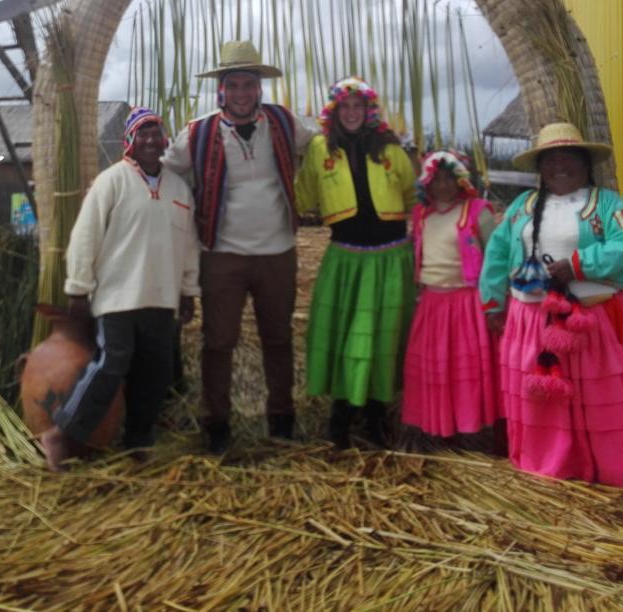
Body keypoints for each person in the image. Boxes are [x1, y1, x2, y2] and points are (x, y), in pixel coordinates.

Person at [479, 122, 623, 486]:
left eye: (569, 157)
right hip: (533, 319)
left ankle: (607, 468)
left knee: (599, 395)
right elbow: (497, 253)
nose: (560, 165)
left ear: (585, 163)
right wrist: (493, 301)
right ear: (540, 167)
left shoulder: (608, 205)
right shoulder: (521, 207)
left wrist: (578, 265)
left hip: (594, 318)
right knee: (545, 397)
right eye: (551, 159)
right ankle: (550, 465)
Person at [164, 40, 315, 453]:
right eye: (234, 85)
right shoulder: (198, 133)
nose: (243, 92)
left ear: (259, 87)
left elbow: (324, 143)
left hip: (277, 252)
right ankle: (217, 426)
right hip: (222, 254)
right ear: (222, 89)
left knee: (279, 339)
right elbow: (163, 171)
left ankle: (281, 421)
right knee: (218, 341)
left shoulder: (285, 124)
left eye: (249, 84)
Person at [39, 107, 199, 470]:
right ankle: (62, 437)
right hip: (116, 297)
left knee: (155, 373)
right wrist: (78, 288)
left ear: (165, 141)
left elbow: (189, 245)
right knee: (111, 364)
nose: (151, 140)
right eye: (143, 133)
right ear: (130, 140)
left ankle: (138, 443)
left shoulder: (178, 189)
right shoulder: (112, 181)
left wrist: (188, 290)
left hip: (161, 297)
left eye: (157, 133)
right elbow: (85, 235)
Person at [294, 77, 417, 449]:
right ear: (333, 111)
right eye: (343, 107)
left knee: (382, 334)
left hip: (390, 258)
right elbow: (302, 196)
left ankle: (377, 415)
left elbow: (413, 195)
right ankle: (342, 414)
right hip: (345, 258)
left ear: (369, 111)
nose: (351, 113)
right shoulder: (319, 149)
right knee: (346, 334)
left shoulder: (391, 150)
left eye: (357, 107)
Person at [401, 150, 499, 442]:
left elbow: (496, 257)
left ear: (461, 180)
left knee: (464, 369)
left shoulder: (477, 211)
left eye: (449, 178)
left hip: (466, 304)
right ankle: (438, 427)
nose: (443, 185)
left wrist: (495, 302)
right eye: (436, 179)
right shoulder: (422, 215)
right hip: (432, 303)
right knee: (436, 367)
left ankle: (471, 430)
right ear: (426, 183)